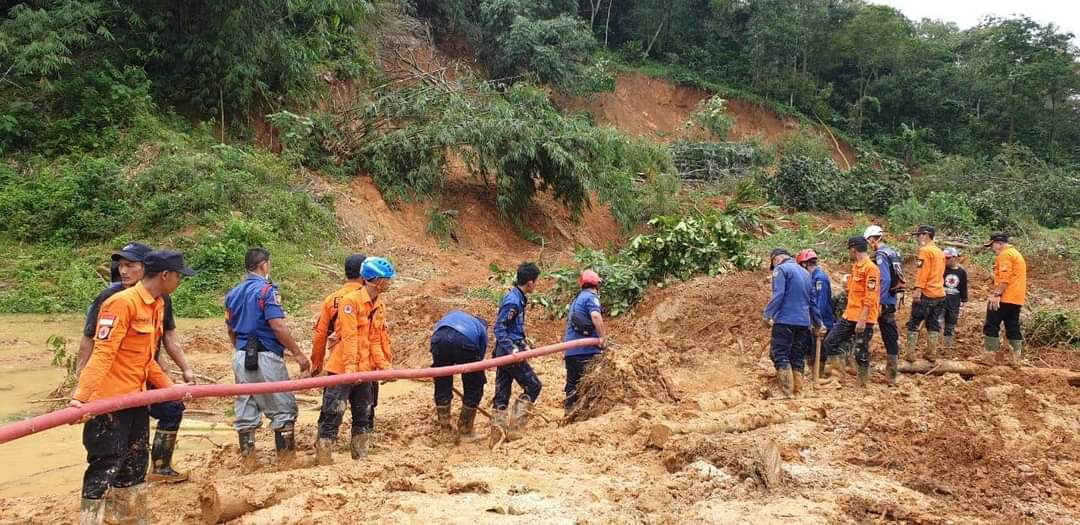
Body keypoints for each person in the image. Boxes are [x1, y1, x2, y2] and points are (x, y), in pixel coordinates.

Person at [73, 250, 195, 524]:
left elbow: (145, 360)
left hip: (135, 399)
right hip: (109, 403)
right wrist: (81, 399)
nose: (179, 281)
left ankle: (132, 519)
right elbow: (102, 354)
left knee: (136, 463)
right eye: (178, 276)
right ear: (165, 275)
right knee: (106, 466)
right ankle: (90, 520)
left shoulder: (157, 305)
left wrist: (170, 389)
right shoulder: (120, 304)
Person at [225, 248, 311, 471]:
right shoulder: (266, 291)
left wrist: (240, 348)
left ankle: (249, 462)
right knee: (283, 408)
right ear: (264, 265)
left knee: (246, 405)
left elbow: (230, 328)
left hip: (242, 355)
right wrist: (298, 354)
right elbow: (278, 326)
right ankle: (286, 461)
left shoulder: (233, 293)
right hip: (266, 355)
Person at [318, 256, 396, 459]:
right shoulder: (350, 302)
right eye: (387, 279)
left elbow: (376, 340)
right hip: (342, 369)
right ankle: (324, 459)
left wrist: (384, 366)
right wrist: (351, 370)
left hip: (365, 370)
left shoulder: (379, 305)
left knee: (363, 415)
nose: (389, 283)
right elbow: (350, 337)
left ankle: (360, 458)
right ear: (377, 280)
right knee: (332, 414)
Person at [311, 254, 366, 465]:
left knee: (331, 413)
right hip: (365, 367)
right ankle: (362, 460)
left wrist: (316, 363)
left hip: (338, 366)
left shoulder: (332, 300)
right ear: (365, 274)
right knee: (364, 413)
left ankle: (323, 460)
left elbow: (320, 335)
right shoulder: (370, 300)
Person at [491, 262, 542, 440]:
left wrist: (523, 343)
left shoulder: (517, 297)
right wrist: (512, 348)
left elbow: (514, 328)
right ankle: (515, 429)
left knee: (502, 393)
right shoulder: (513, 301)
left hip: (505, 352)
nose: (536, 285)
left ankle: (497, 435)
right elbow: (499, 327)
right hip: (509, 354)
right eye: (536, 282)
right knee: (534, 386)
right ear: (529, 283)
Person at [822, 237, 881, 387]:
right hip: (849, 314)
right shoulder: (856, 267)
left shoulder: (871, 268)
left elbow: (871, 296)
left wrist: (862, 319)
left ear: (853, 250)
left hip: (864, 317)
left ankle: (863, 383)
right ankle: (837, 377)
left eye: (849, 250)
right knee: (830, 341)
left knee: (860, 351)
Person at [764, 249, 821, 397]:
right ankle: (798, 390)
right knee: (797, 356)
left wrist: (767, 314)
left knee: (781, 354)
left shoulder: (781, 269)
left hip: (785, 320)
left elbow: (779, 294)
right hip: (803, 323)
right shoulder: (806, 273)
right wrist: (818, 323)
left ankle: (787, 392)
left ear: (776, 259)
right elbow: (813, 302)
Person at [431, 310, 489, 443]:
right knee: (474, 383)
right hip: (465, 341)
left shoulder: (455, 315)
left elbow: (438, 333)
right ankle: (465, 430)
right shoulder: (481, 329)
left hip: (438, 339)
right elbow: (478, 362)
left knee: (442, 381)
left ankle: (444, 429)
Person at [863, 225, 905, 384]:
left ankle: (863, 370)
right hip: (892, 299)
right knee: (890, 335)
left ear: (873, 239)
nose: (870, 245)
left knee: (865, 332)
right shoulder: (893, 251)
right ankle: (892, 375)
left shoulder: (881, 254)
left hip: (883, 300)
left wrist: (878, 302)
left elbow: (885, 279)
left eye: (869, 241)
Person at [563, 270, 607, 414]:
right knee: (591, 385)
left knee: (572, 386)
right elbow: (595, 316)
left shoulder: (576, 300)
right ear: (597, 284)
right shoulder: (591, 297)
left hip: (570, 352)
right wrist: (602, 338)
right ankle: (587, 418)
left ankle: (568, 415)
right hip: (586, 352)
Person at [983, 233, 1027, 365]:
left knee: (991, 324)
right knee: (1012, 326)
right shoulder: (1016, 253)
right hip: (1016, 298)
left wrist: (996, 295)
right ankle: (1016, 359)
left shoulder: (1005, 255)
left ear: (999, 243)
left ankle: (989, 358)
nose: (992, 248)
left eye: (992, 245)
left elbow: (1004, 278)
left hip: (1005, 297)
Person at [905, 225, 947, 362]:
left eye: (919, 235)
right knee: (933, 324)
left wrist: (918, 289)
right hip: (940, 293)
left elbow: (923, 272)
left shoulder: (925, 251)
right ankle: (931, 353)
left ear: (926, 235)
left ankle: (910, 354)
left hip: (927, 293)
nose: (918, 238)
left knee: (914, 323)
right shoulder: (940, 252)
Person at [796, 249, 833, 377]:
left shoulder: (819, 278)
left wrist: (817, 322)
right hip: (813, 320)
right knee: (808, 346)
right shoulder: (811, 277)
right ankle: (813, 372)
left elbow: (820, 303)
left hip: (822, 320)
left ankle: (819, 373)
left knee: (821, 349)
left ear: (804, 264)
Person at [941, 247, 969, 356]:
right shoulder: (941, 269)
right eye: (944, 258)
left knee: (950, 324)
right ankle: (936, 346)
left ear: (955, 257)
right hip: (941, 300)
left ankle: (947, 348)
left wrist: (964, 300)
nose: (946, 260)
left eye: (948, 258)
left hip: (954, 302)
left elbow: (963, 286)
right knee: (937, 322)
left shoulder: (961, 272)